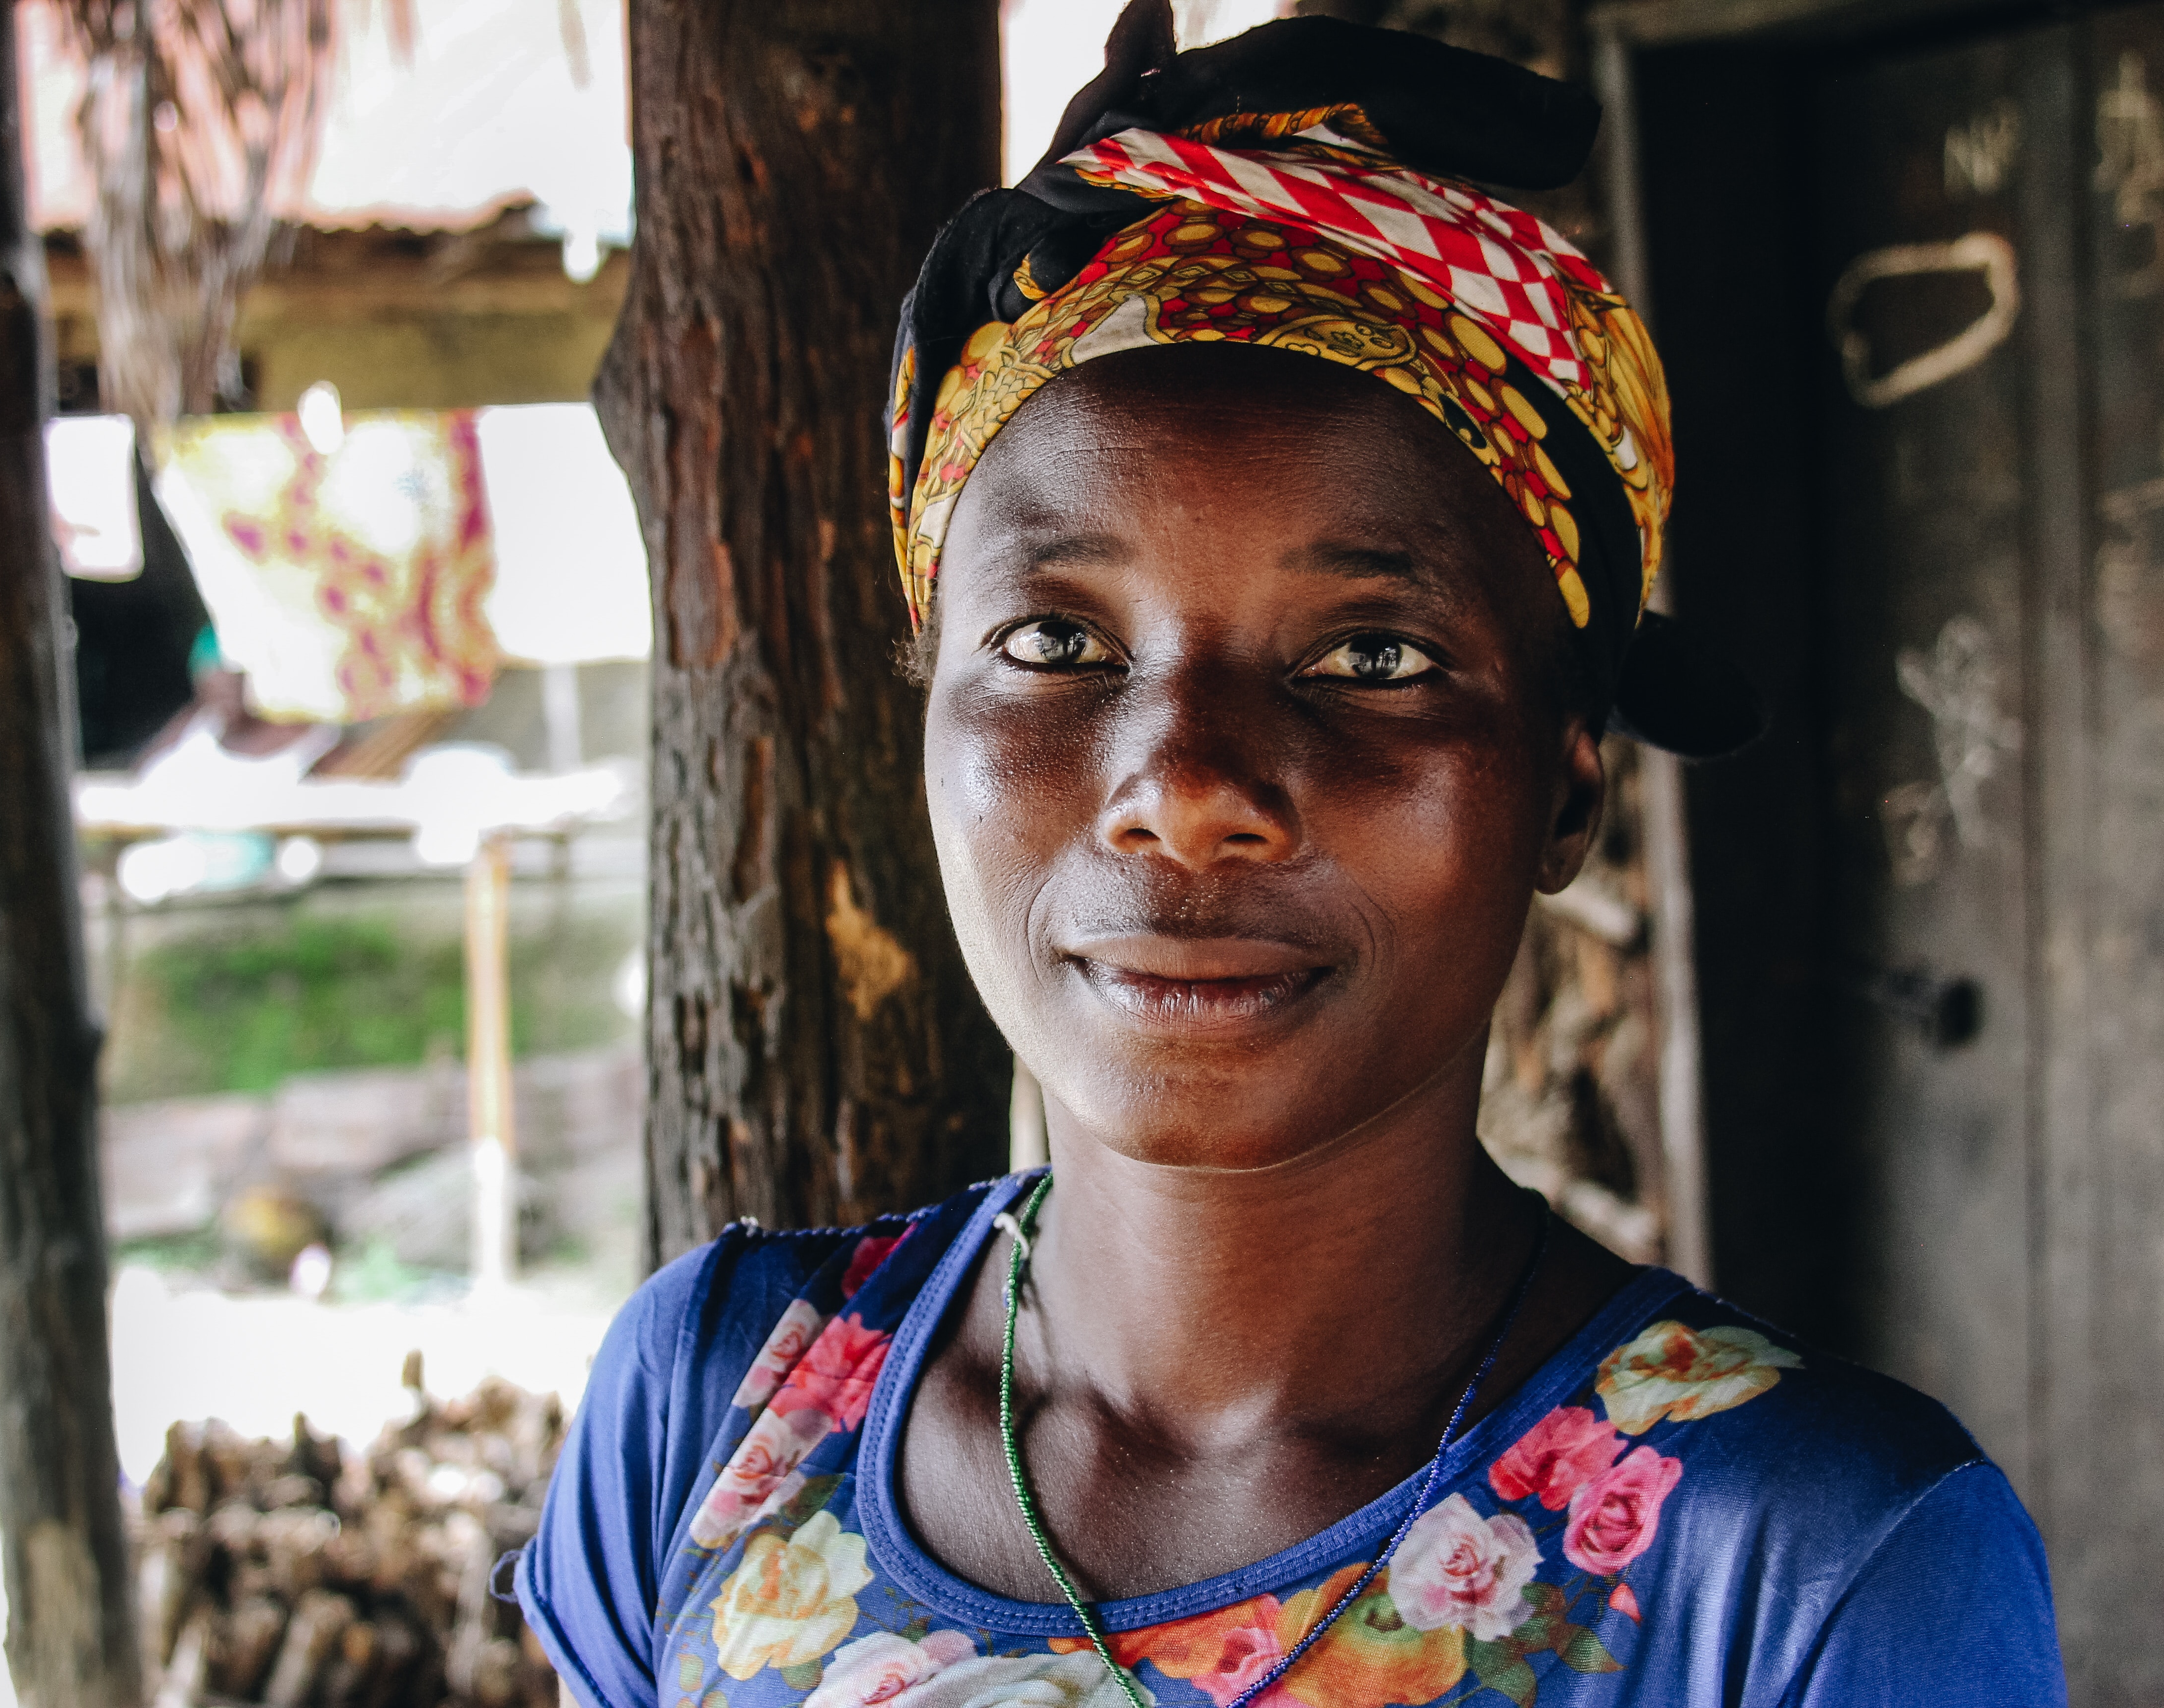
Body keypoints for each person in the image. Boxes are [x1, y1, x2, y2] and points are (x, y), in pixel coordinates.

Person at [516, 11, 2065, 1708]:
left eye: (1373, 658)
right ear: (928, 714)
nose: (1184, 788)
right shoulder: (715, 1414)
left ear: (1564, 791)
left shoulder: (1809, 1570)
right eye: (1051, 640)